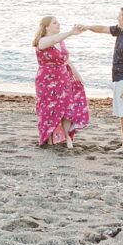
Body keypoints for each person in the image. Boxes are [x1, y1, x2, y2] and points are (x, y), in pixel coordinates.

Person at [83, 7, 123, 157]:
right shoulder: (121, 30)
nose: (117, 17)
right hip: (119, 78)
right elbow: (102, 29)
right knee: (122, 115)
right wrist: (88, 27)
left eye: (119, 16)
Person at [32, 17, 90, 149]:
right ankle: (50, 137)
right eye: (55, 23)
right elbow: (50, 41)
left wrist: (78, 76)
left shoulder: (61, 41)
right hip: (47, 80)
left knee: (67, 107)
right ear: (46, 27)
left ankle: (68, 137)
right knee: (49, 109)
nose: (58, 24)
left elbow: (67, 60)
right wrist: (70, 33)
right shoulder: (42, 41)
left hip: (63, 78)